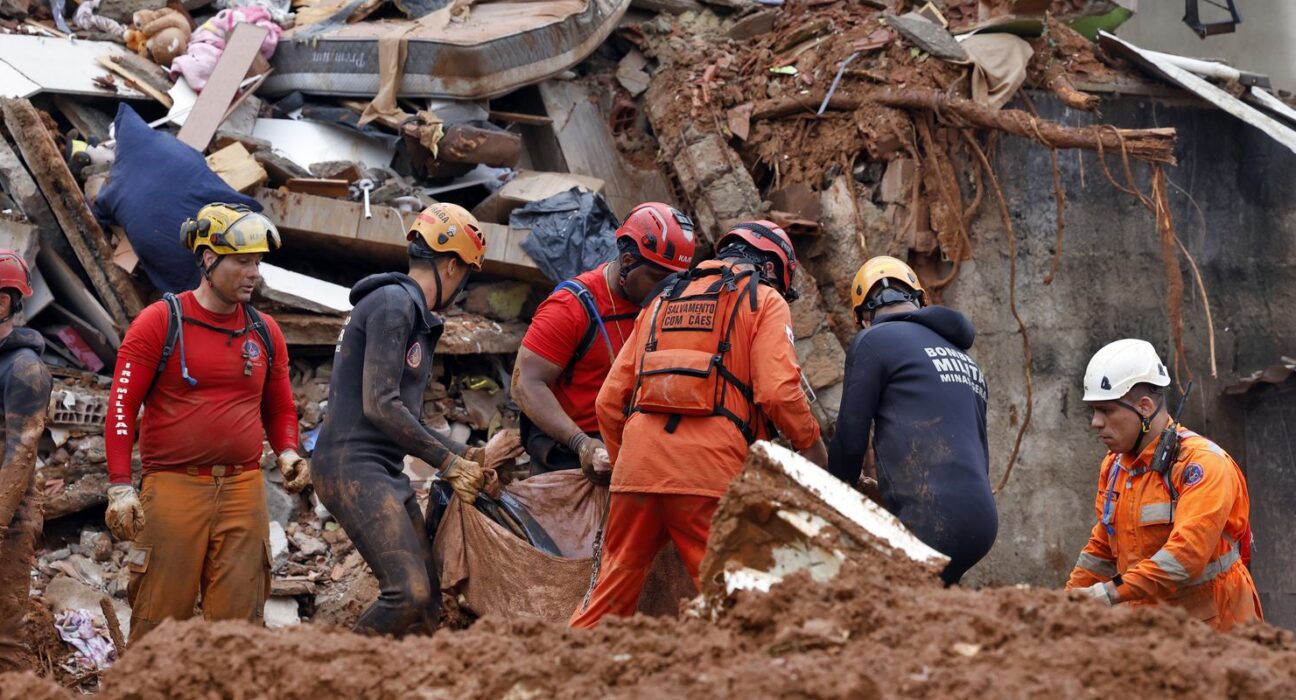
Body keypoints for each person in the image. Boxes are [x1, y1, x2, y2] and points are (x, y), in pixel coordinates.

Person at [571, 220, 827, 628]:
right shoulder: (763, 299)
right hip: (709, 476)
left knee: (606, 601)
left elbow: (608, 403)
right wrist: (811, 444)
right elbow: (778, 392)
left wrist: (626, 469)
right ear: (772, 270)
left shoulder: (661, 300)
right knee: (739, 606)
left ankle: (559, 661)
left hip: (637, 472)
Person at [311, 202, 522, 638]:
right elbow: (381, 406)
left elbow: (403, 417)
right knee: (407, 593)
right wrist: (449, 464)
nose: (462, 287)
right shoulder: (394, 304)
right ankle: (335, 668)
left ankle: (411, 672)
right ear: (451, 266)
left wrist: (467, 455)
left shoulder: (407, 310)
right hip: (353, 467)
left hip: (378, 468)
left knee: (426, 604)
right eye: (466, 274)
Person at [104, 203, 308, 644]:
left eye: (257, 262)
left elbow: (279, 408)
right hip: (173, 487)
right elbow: (121, 406)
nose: (254, 273)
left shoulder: (265, 332)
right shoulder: (159, 322)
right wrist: (120, 486)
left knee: (239, 626)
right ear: (209, 259)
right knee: (160, 620)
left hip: (243, 489)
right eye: (243, 262)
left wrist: (288, 450)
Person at [1065, 339, 1262, 630]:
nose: (1095, 422)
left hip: (1217, 628)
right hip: (1156, 626)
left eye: (1105, 410)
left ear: (1145, 407)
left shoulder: (1202, 465)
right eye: (1094, 411)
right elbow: (1103, 547)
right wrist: (1064, 603)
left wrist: (1107, 594)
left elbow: (1185, 558)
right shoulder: (1116, 466)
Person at [827, 256, 996, 585]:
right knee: (927, 602)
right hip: (982, 521)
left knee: (873, 598)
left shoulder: (874, 341)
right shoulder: (965, 360)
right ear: (920, 301)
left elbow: (850, 441)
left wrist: (832, 499)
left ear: (863, 318)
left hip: (932, 517)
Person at [512, 203, 697, 482]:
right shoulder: (571, 307)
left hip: (635, 445)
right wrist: (581, 443)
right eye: (658, 279)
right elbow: (525, 383)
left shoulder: (663, 304)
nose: (666, 290)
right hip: (570, 452)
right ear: (627, 261)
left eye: (675, 280)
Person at [0, 252, 52, 673]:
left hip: (9, 520)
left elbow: (21, 453)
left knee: (3, 638)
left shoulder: (24, 369)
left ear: (4, 301)